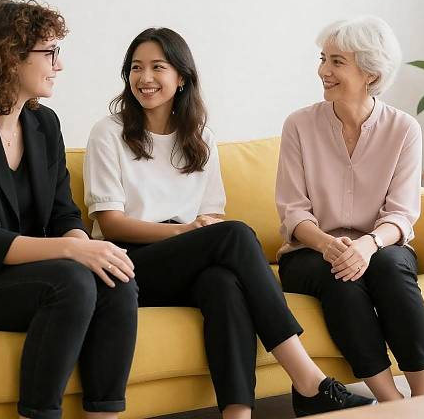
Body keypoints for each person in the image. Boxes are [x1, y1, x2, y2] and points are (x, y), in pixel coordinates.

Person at [83, 27, 375, 418]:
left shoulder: (200, 136)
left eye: (157, 67)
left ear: (182, 77)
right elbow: (112, 224)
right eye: (136, 68)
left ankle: (237, 414)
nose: (145, 78)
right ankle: (307, 378)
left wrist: (197, 231)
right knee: (236, 234)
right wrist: (186, 232)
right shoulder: (109, 133)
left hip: (187, 257)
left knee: (223, 283)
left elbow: (211, 215)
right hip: (129, 262)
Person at [0, 0, 138, 419]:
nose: (58, 65)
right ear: (9, 56)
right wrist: (72, 251)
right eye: (50, 52)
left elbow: (64, 214)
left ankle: (105, 415)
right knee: (72, 281)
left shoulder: (45, 125)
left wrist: (87, 247)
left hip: (26, 275)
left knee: (115, 277)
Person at [275, 16, 424, 402]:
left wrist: (367, 245)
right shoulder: (299, 125)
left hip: (380, 247)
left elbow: (401, 213)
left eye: (336, 62)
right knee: (340, 276)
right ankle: (390, 401)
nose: (322, 71)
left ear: (370, 72)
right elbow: (293, 211)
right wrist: (329, 246)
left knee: (392, 268)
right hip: (309, 251)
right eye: (323, 58)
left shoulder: (404, 129)